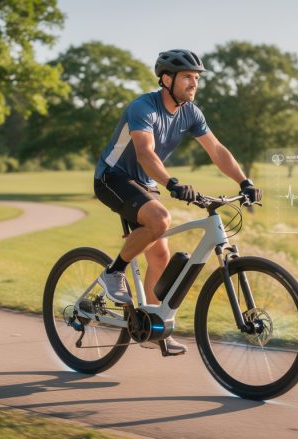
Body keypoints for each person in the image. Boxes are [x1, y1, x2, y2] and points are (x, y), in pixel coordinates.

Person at [93, 49, 262, 355]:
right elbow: (145, 152)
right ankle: (113, 273)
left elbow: (217, 150)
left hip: (143, 182)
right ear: (166, 79)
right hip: (112, 177)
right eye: (187, 77)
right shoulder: (143, 107)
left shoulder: (191, 112)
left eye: (196, 78)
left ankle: (152, 325)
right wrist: (171, 183)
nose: (193, 84)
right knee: (160, 220)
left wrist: (244, 181)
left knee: (160, 256)